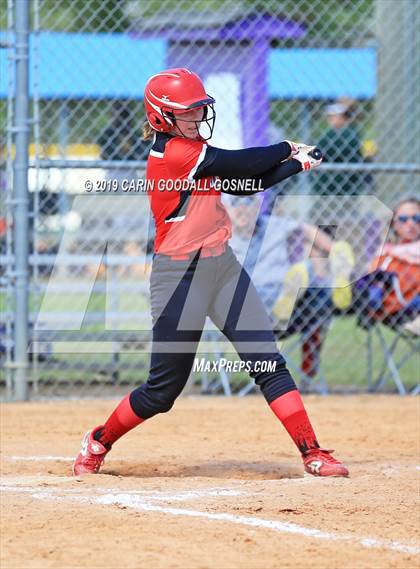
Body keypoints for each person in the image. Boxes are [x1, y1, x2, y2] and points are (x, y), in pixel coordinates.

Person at [73, 68, 349, 478]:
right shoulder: (175, 155)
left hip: (221, 266)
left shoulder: (196, 151)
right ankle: (99, 440)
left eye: (200, 109)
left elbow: (242, 183)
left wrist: (297, 165)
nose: (199, 117)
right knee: (162, 392)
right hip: (179, 277)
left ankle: (313, 451)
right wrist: (287, 147)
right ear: (161, 118)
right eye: (189, 112)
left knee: (267, 362)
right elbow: (241, 161)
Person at [367, 197, 420, 334]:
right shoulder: (386, 253)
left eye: (416, 218)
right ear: (394, 224)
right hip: (400, 308)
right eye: (403, 219)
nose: (411, 224)